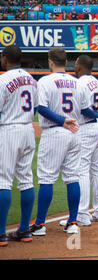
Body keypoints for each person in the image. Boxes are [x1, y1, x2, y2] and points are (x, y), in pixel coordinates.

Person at [30, 48, 94, 236]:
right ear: (66, 61)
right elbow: (85, 110)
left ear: (50, 61)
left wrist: (60, 120)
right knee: (72, 177)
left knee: (47, 178)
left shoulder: (45, 81)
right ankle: (73, 222)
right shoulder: (78, 83)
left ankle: (40, 225)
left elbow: (41, 107)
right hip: (75, 132)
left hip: (55, 131)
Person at [0, 45, 37, 246]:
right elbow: (37, 107)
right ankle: (24, 230)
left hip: (9, 130)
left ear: (6, 58)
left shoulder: (2, 80)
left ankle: (0, 233)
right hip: (28, 130)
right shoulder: (31, 79)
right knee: (25, 180)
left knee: (3, 181)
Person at [70, 55, 98, 226]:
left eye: (75, 64)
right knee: (96, 170)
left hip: (87, 128)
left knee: (82, 170)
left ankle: (82, 214)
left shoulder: (80, 83)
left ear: (79, 67)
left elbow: (84, 109)